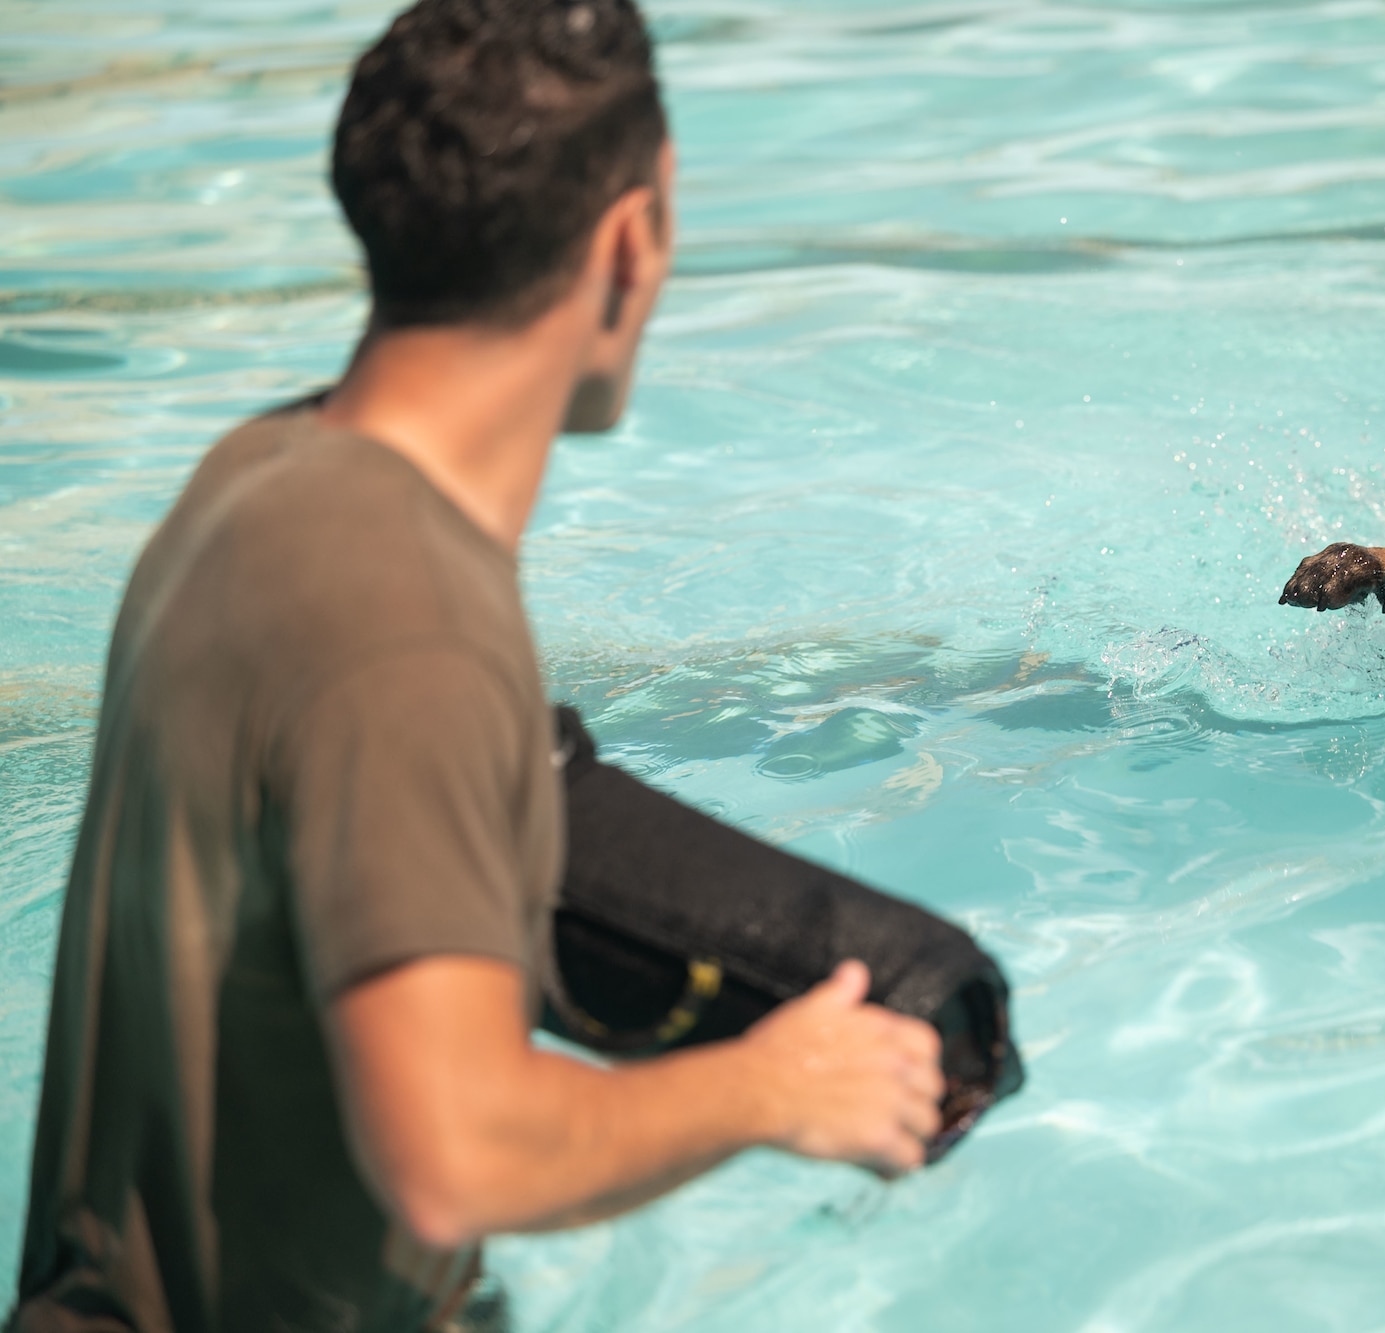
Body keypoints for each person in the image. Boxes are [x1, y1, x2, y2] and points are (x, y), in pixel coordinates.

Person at [10, 1, 945, 1329]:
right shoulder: (410, 628)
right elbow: (456, 1156)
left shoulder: (260, 474)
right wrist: (776, 1087)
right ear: (634, 237)